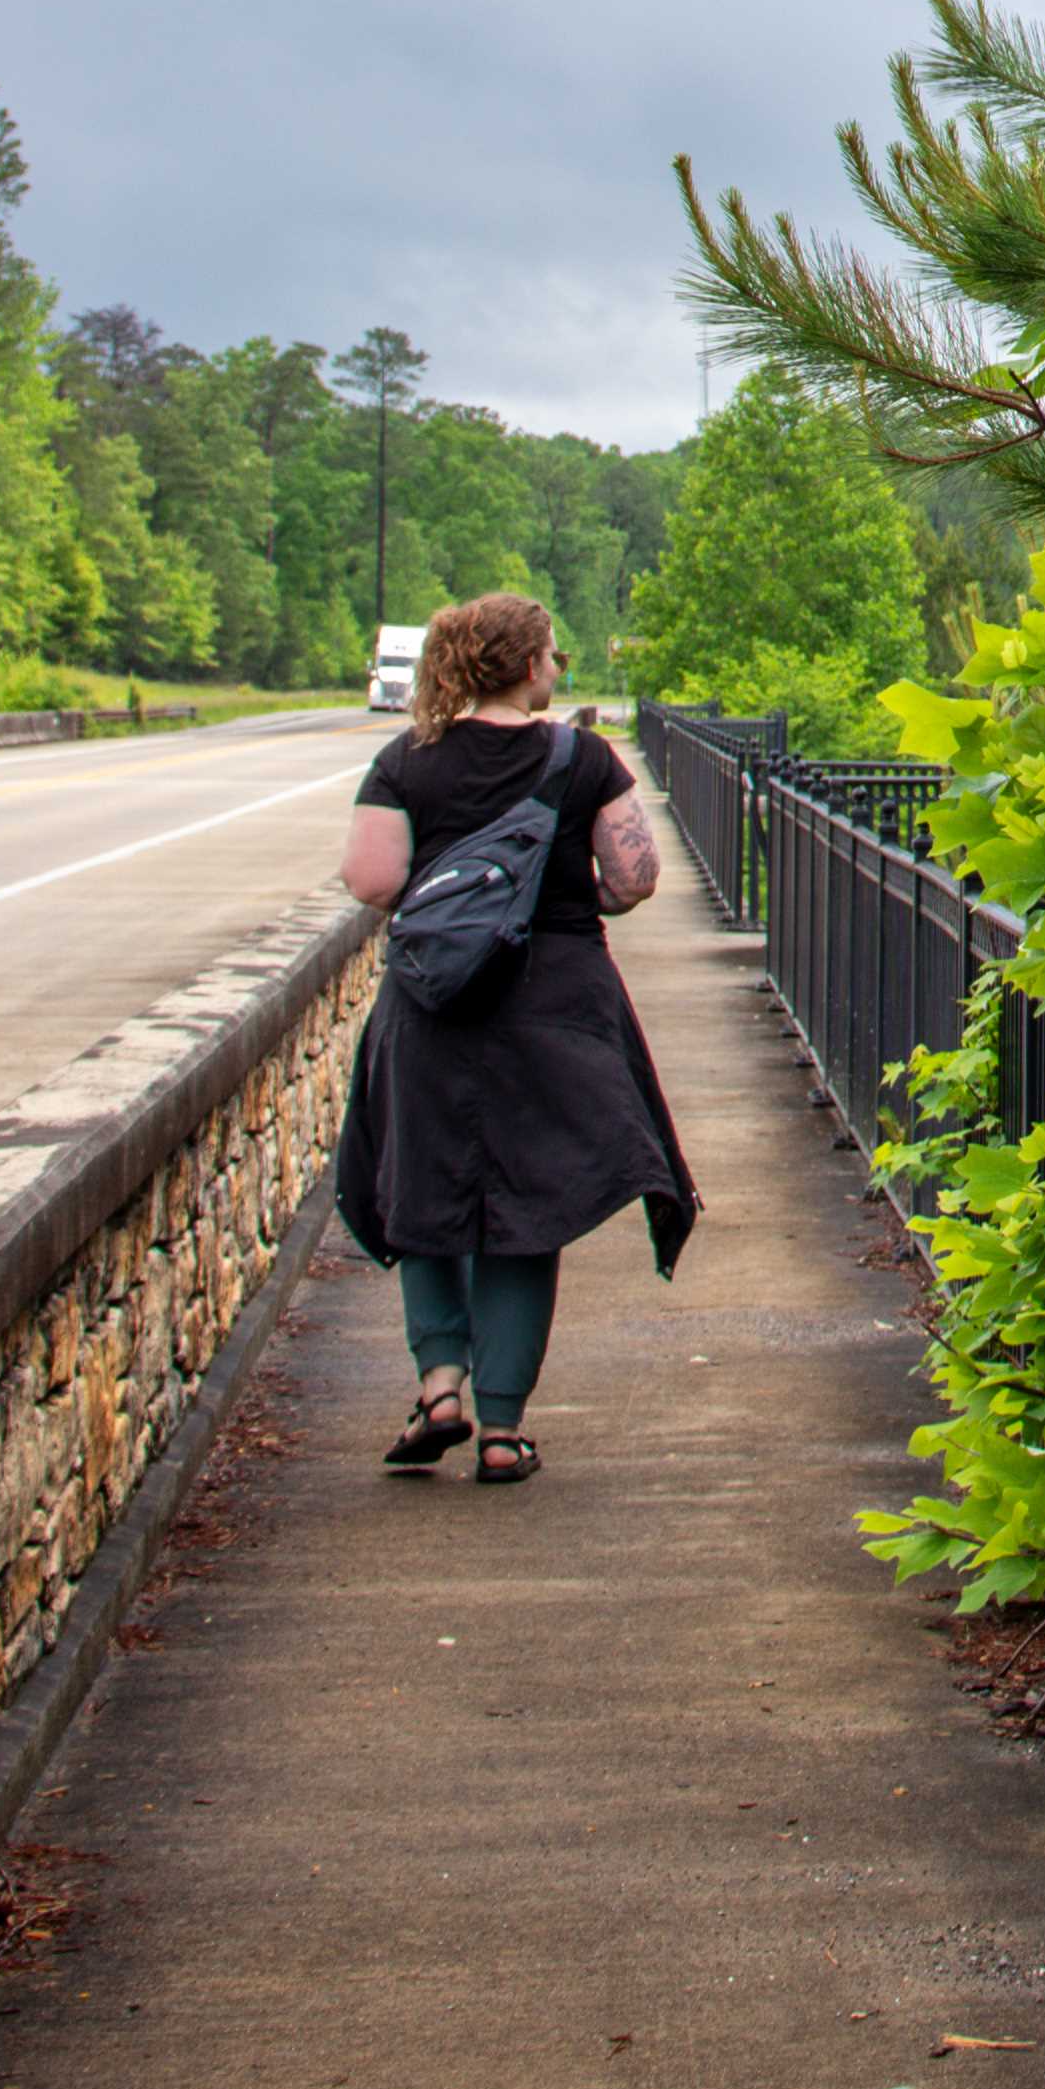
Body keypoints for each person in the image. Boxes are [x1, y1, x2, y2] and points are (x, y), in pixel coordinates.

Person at [333, 592, 696, 1482]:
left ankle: (441, 1384)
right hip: (556, 1005)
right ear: (530, 664)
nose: (557, 668)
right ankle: (501, 1430)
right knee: (530, 1212)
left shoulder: (406, 760)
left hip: (434, 1005)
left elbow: (372, 880)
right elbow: (633, 877)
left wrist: (456, 899)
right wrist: (563, 896)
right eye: (552, 655)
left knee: (426, 1192)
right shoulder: (582, 759)